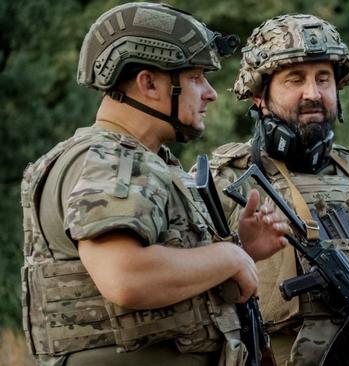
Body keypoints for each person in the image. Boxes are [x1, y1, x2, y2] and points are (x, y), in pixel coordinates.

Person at [21, 3, 289, 365]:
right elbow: (125, 277)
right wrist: (229, 255)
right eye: (196, 77)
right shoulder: (113, 159)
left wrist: (242, 248)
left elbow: (168, 274)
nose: (210, 92)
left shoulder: (139, 161)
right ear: (148, 83)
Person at [209, 14, 349, 365]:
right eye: (295, 79)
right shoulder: (227, 180)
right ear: (259, 95)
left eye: (323, 79)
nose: (313, 93)